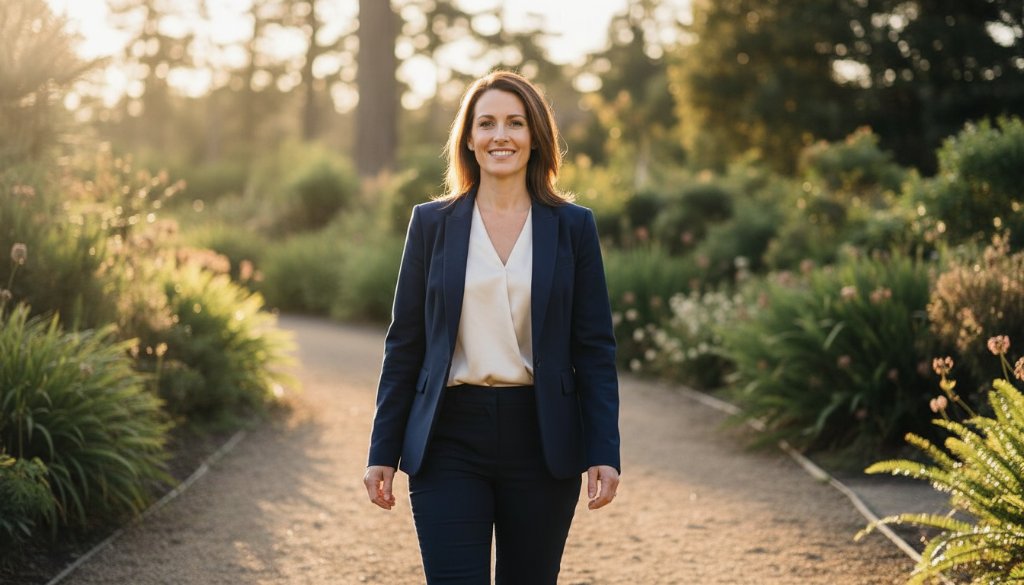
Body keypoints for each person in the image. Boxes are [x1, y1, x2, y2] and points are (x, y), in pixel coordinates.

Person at [363, 70, 621, 585]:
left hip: (542, 439)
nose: (500, 135)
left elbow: (594, 349)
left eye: (515, 123)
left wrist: (603, 450)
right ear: (468, 138)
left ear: (536, 136)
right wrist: (382, 451)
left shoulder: (574, 227)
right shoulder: (431, 224)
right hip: (448, 438)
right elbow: (405, 344)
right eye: (486, 123)